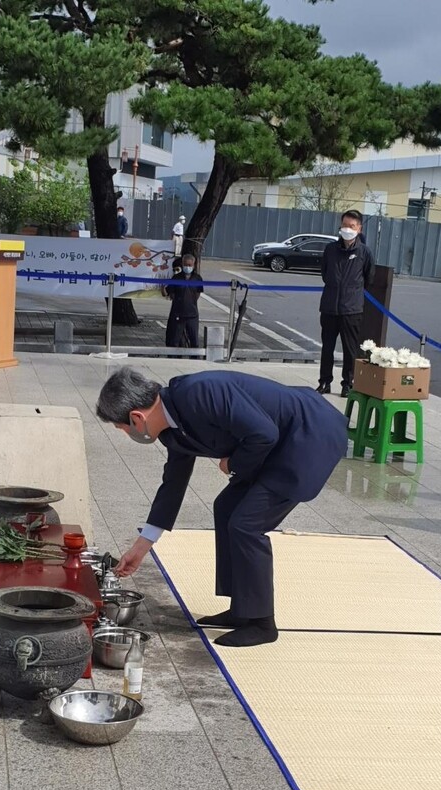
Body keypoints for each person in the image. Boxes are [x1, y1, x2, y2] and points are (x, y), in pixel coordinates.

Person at [96, 367, 348, 648]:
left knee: (246, 523)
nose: (123, 434)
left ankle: (262, 622)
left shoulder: (199, 392)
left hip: (308, 435)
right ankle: (244, 609)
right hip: (277, 443)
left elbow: (263, 434)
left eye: (120, 428)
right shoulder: (171, 427)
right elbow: (173, 483)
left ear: (136, 418)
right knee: (226, 507)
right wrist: (142, 546)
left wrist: (232, 464)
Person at [317, 209, 374, 398]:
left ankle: (347, 384)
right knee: (327, 347)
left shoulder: (364, 252)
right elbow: (325, 274)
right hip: (329, 307)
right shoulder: (330, 250)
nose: (347, 229)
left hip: (352, 310)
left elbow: (369, 278)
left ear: (359, 228)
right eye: (344, 225)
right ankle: (324, 382)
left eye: (352, 226)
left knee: (350, 350)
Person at [164, 253, 204, 348]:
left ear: (193, 265)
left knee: (194, 341)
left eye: (189, 265)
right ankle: (174, 359)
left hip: (192, 314)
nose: (187, 267)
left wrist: (191, 301)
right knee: (175, 340)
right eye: (185, 265)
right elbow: (170, 293)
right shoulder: (176, 278)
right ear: (182, 264)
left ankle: (194, 359)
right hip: (178, 313)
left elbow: (198, 293)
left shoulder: (197, 278)